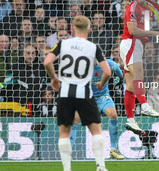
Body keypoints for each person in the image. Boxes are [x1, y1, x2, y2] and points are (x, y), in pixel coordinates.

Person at [44, 15, 111, 171]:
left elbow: (47, 62)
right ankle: (101, 166)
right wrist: (101, 82)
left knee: (64, 133)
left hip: (65, 93)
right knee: (96, 130)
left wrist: (53, 77)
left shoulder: (62, 44)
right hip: (85, 93)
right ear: (89, 29)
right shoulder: (94, 47)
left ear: (72, 29)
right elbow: (107, 71)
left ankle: (67, 169)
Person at [119, 0, 159, 136]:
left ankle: (130, 121)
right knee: (139, 77)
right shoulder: (132, 7)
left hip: (136, 45)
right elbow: (132, 30)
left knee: (130, 86)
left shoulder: (147, 9)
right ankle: (145, 106)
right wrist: (153, 32)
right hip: (130, 43)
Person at [70, 59, 125, 160]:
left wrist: (121, 79)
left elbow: (117, 69)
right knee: (75, 117)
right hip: (86, 98)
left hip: (102, 96)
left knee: (113, 114)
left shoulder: (108, 64)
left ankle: (113, 149)